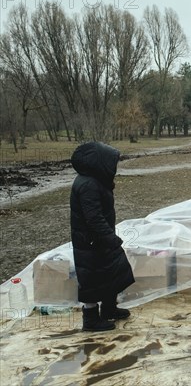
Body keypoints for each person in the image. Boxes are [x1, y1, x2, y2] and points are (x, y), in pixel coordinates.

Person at [70, 142, 135, 331]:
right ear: (100, 163)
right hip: (90, 241)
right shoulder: (88, 184)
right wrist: (110, 238)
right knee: (90, 279)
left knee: (111, 271)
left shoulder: (95, 180)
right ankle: (90, 320)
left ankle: (109, 309)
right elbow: (93, 218)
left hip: (99, 238)